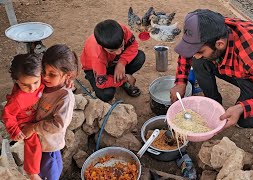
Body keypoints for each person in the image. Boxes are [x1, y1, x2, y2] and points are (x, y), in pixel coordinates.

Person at [170, 9, 253, 129]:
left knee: (245, 122)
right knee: (199, 61)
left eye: (200, 51)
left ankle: (244, 110)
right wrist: (181, 82)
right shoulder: (208, 29)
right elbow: (188, 50)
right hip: (235, 65)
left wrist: (242, 108)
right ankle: (214, 103)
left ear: (220, 44)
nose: (195, 55)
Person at [21, 44, 78, 179]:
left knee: (49, 175)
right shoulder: (44, 84)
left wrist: (33, 128)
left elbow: (58, 125)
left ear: (67, 75)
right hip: (36, 142)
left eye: (52, 74)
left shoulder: (65, 98)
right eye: (43, 72)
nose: (45, 77)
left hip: (49, 147)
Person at [81, 19, 145, 102]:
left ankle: (119, 79)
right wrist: (126, 78)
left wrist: (121, 63)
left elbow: (133, 45)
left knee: (139, 57)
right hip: (93, 69)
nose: (119, 52)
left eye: (121, 45)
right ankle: (120, 80)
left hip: (112, 62)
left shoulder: (121, 31)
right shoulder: (97, 55)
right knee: (106, 94)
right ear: (102, 46)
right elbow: (101, 83)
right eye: (112, 51)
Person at [2, 54, 44, 180]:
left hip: (36, 114)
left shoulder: (41, 82)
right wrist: (15, 130)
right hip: (24, 121)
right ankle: (32, 172)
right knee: (33, 142)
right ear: (16, 81)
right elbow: (8, 115)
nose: (32, 88)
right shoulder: (17, 99)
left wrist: (67, 82)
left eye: (36, 82)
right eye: (25, 85)